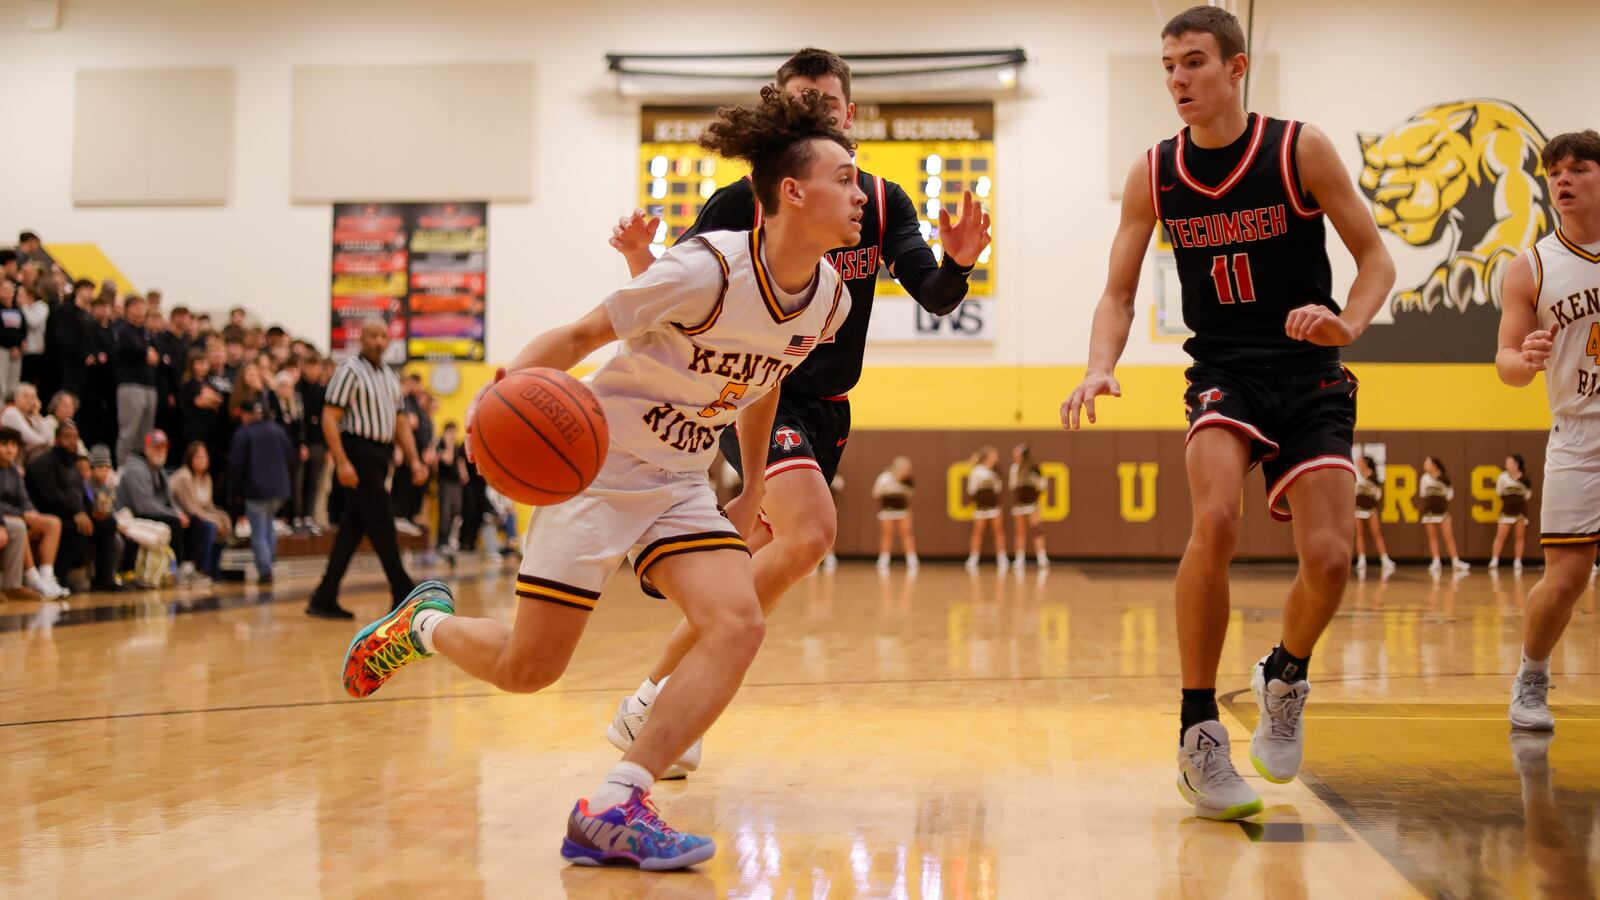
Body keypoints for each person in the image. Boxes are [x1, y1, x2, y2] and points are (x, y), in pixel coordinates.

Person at [341, 86, 857, 870]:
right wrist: (491, 408)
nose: (861, 194)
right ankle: (421, 626)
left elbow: (766, 383)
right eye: (846, 179)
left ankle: (617, 802)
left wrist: (750, 485)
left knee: (739, 621)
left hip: (682, 479)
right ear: (794, 191)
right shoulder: (704, 271)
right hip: (599, 467)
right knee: (528, 670)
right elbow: (583, 334)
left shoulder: (829, 302)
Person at [605, 48, 990, 772]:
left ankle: (656, 699)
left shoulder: (878, 202)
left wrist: (960, 263)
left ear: (850, 115)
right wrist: (639, 263)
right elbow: (676, 292)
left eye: (828, 103)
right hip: (751, 391)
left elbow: (935, 293)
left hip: (830, 406)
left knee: (778, 559)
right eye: (801, 102)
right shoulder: (740, 201)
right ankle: (658, 704)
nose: (817, 113)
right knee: (811, 532)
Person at [1059, 5, 1395, 820]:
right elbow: (1118, 290)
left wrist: (1347, 322)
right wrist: (1100, 366)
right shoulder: (1155, 172)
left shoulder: (1298, 148)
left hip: (1310, 369)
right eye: (1169, 65)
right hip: (1224, 372)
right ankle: (1197, 729)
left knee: (1329, 559)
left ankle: (1284, 676)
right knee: (1213, 520)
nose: (1178, 78)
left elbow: (1376, 258)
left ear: (1237, 68)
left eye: (1195, 63)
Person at [1493, 129, 1600, 731]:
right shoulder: (1529, 265)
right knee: (1567, 578)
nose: (1562, 180)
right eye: (1555, 171)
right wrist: (1524, 357)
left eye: (1578, 169)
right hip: (1579, 432)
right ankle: (1532, 675)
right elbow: (1505, 363)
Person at [304, 320, 426, 619]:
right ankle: (403, 592)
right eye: (372, 335)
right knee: (383, 522)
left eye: (383, 336)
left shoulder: (389, 375)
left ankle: (324, 596)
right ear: (362, 338)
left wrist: (415, 461)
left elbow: (399, 424)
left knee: (353, 529)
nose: (378, 341)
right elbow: (330, 417)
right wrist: (342, 462)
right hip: (357, 451)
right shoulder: (349, 370)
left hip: (381, 455)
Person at [25, 420, 119, 592]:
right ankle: (59, 577)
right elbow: (50, 497)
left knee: (108, 522)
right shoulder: (42, 463)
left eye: (75, 437)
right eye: (67, 437)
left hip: (73, 514)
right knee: (79, 526)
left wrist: (92, 511)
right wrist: (77, 513)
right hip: (50, 515)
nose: (72, 441)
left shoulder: (72, 466)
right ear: (57, 440)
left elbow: (82, 496)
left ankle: (104, 579)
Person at [116, 430, 216, 588]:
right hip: (132, 515)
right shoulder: (136, 469)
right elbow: (144, 505)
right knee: (174, 521)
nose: (161, 451)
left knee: (193, 521)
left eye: (164, 448)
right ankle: (177, 570)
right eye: (157, 447)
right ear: (146, 448)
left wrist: (179, 513)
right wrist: (174, 514)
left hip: (151, 512)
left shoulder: (159, 470)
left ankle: (189, 567)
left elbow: (170, 501)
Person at [229, 400, 295, 583]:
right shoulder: (278, 430)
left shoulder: (244, 434)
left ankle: (265, 569)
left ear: (245, 414)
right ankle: (270, 557)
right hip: (280, 488)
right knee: (267, 525)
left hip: (256, 489)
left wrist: (234, 491)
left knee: (258, 529)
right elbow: (291, 456)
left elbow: (236, 465)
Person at [0, 427, 67, 599]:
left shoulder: (13, 470)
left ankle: (46, 575)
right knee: (20, 525)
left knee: (53, 522)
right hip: (7, 518)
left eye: (13, 445)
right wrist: (22, 514)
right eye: (4, 444)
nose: (10, 449)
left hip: (14, 517)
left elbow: (24, 498)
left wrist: (31, 511)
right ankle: (31, 577)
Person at [169, 441, 231, 578]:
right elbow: (190, 507)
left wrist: (222, 517)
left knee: (225, 524)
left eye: (205, 457)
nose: (202, 460)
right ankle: (204, 569)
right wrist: (215, 521)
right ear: (190, 458)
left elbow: (208, 505)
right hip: (183, 515)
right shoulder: (184, 476)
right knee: (210, 527)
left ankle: (215, 569)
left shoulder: (206, 478)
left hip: (199, 513)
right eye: (198, 457)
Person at [112, 294, 161, 466]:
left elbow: (157, 355)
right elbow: (137, 350)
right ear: (127, 310)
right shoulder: (123, 329)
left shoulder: (147, 333)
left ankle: (141, 469)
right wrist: (145, 353)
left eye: (142, 306)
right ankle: (124, 471)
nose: (140, 310)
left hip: (148, 385)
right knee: (129, 433)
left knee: (145, 434)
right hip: (131, 385)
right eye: (135, 306)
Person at [1419, 456, 1470, 575]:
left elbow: (1450, 495)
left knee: (1448, 536)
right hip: (1429, 512)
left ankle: (1455, 561)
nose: (1425, 464)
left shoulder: (1444, 478)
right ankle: (1436, 561)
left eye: (1427, 462)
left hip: (1442, 512)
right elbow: (1422, 493)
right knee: (1433, 537)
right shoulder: (1425, 478)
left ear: (1434, 464)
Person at [963, 445, 1007, 572]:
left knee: (998, 531)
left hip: (994, 506)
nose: (996, 457)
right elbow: (971, 490)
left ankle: (1002, 558)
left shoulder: (996, 471)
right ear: (987, 457)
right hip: (980, 507)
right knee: (977, 532)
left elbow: (998, 489)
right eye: (994, 455)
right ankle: (973, 557)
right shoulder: (977, 471)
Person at [871, 455, 917, 572]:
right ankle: (884, 559)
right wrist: (890, 491)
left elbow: (910, 492)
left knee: (906, 533)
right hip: (888, 510)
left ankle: (912, 559)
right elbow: (876, 492)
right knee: (887, 534)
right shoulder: (885, 477)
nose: (908, 470)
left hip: (902, 510)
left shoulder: (907, 480)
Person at [1008, 443, 1050, 570]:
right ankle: (1020, 558)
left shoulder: (1033, 468)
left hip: (1032, 504)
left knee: (1036, 529)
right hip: (1019, 504)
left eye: (1017, 454)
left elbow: (1043, 484)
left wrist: (1036, 495)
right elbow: (1012, 486)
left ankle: (1041, 557)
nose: (1015, 457)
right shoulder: (1014, 469)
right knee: (1020, 532)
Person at [1352, 455, 1396, 576]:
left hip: (1371, 508)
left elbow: (1377, 494)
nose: (1358, 462)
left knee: (1376, 533)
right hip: (1358, 508)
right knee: (1359, 534)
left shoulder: (1373, 475)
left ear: (1365, 462)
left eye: (1360, 460)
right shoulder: (1355, 474)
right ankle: (1361, 560)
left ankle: (1384, 559)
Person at [1490, 453, 1533, 572]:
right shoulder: (1503, 477)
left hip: (1520, 510)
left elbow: (1528, 494)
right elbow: (1499, 492)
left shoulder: (1525, 478)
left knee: (1519, 537)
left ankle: (1518, 561)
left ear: (1517, 464)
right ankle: (1494, 560)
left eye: (1510, 462)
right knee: (1500, 536)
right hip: (1507, 510)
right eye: (1507, 462)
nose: (1507, 464)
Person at [434, 421, 467, 560]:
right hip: (445, 482)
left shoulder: (457, 445)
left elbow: (459, 461)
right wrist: (448, 444)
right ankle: (441, 543)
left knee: (456, 512)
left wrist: (464, 473)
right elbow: (447, 460)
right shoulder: (441, 444)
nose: (453, 435)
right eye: (451, 432)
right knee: (445, 513)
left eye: (455, 432)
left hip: (456, 483)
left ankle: (451, 541)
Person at [0, 383, 50, 458]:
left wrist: (37, 414)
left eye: (33, 397)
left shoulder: (30, 417)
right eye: (25, 396)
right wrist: (46, 441)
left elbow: (50, 438)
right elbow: (34, 441)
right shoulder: (11, 413)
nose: (29, 400)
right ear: (16, 398)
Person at [0, 279, 26, 404]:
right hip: (3, 349)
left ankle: (10, 404)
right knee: (1, 380)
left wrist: (20, 344)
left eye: (11, 289)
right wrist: (10, 345)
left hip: (17, 352)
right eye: (5, 289)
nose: (9, 292)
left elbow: (23, 329)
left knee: (13, 382)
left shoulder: (18, 309)